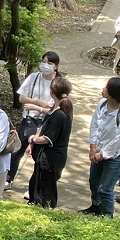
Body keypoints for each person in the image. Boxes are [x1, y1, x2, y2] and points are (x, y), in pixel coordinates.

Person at [83, 77, 120, 217]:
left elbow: (119, 140)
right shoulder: (102, 104)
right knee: (94, 182)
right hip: (98, 150)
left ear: (113, 93)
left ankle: (107, 217)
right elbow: (94, 125)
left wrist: (102, 155)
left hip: (115, 156)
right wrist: (93, 146)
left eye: (106, 87)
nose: (103, 89)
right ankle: (96, 207)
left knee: (105, 188)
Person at [9, 52, 59, 189]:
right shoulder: (34, 77)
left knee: (39, 156)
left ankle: (35, 187)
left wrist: (37, 106)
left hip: (46, 122)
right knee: (17, 151)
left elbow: (55, 107)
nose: (45, 65)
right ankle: (9, 178)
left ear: (56, 66)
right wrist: (37, 102)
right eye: (44, 61)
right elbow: (21, 98)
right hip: (29, 120)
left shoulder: (58, 83)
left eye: (49, 63)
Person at [27, 77, 72, 209]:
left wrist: (33, 139)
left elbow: (47, 138)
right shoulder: (54, 109)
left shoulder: (60, 115)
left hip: (52, 159)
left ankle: (45, 211)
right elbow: (42, 127)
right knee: (35, 183)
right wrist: (32, 144)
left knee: (46, 190)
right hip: (44, 158)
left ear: (52, 92)